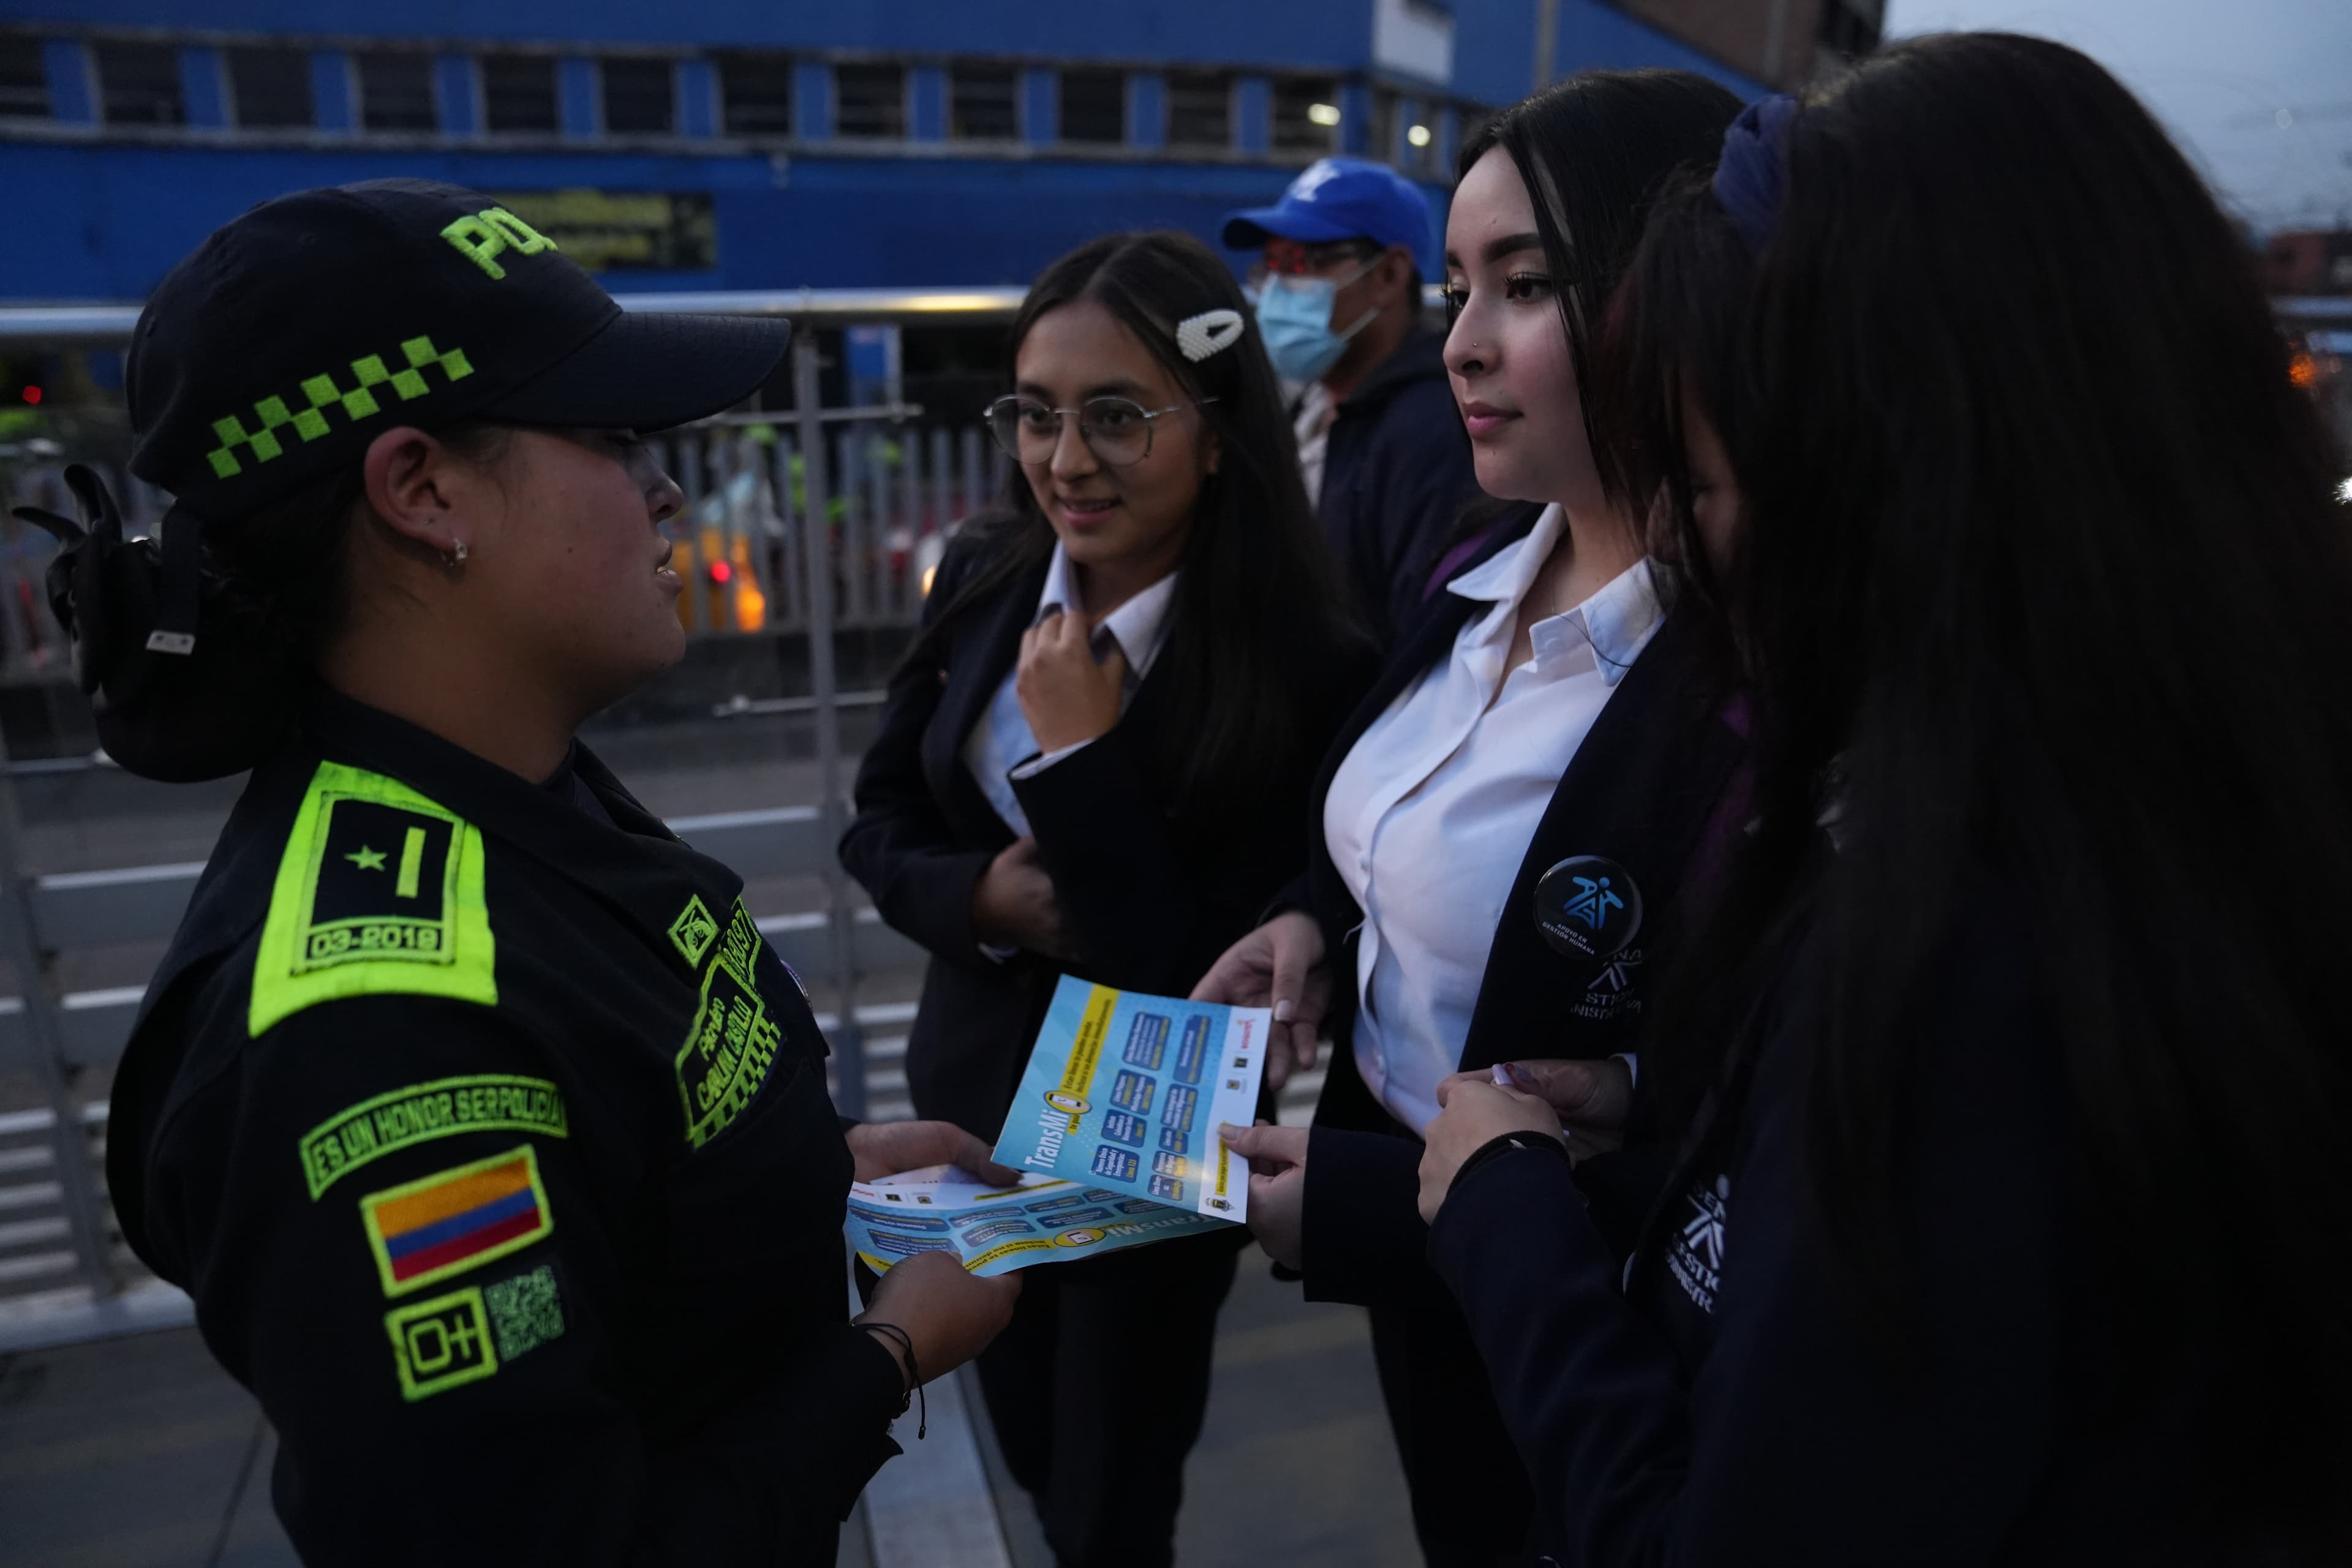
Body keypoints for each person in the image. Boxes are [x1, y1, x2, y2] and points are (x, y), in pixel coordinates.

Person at [1418, 34, 2352, 1563]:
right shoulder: (2170, 817)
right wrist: (1667, 1123)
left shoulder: (1963, 959)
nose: (1689, 550)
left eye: (1707, 486)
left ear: (1901, 482)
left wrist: (1510, 1218)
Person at [59, 179, 1020, 1564]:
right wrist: (885, 1352)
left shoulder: (504, 774)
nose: (666, 483)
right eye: (616, 435)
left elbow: (616, 1163)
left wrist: (801, 1174)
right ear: (423, 490)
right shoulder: (378, 1041)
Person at [1197, 70, 1745, 1566]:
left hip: (1557, 1281)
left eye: (1525, 283)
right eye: (1454, 285)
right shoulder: (1478, 551)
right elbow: (1387, 799)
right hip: (1397, 1198)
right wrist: (1315, 918)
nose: (1459, 343)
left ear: (1677, 287)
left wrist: (1391, 1202)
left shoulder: (1744, 682)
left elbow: (1725, 1114)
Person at [838, 230, 1370, 1567]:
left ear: (1215, 425)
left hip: (1156, 1141)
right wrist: (982, 899)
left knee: (1116, 1490)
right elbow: (880, 820)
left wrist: (1080, 760)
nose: (1066, 460)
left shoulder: (1311, 658)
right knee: (1021, 1433)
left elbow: (1184, 970)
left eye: (1118, 416)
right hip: (977, 1110)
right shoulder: (984, 574)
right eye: (1036, 412)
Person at [1225, 157, 1479, 646]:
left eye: (1301, 264)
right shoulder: (1309, 409)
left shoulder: (1430, 434)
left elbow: (1417, 641)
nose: (1277, 290)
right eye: (1271, 265)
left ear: (1388, 275)